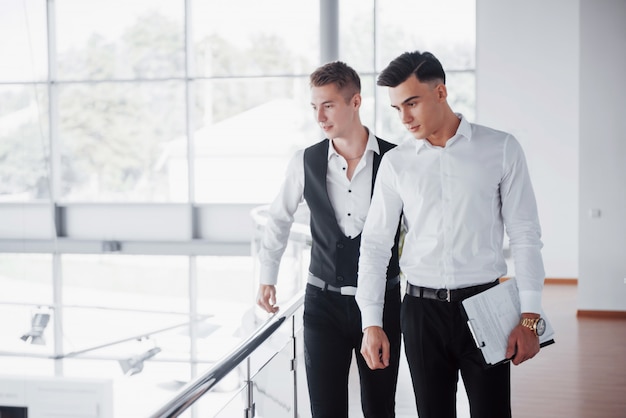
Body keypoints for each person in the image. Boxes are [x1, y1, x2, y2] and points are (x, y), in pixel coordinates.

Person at [355, 50, 546, 418]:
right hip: (421, 312)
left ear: (440, 92)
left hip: (486, 304)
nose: (405, 118)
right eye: (397, 109)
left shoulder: (501, 148)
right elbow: (376, 246)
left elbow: (525, 234)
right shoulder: (396, 164)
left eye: (412, 103)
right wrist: (372, 323)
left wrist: (530, 316)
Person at [256, 61, 402, 418]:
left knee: (380, 408)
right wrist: (267, 276)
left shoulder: (397, 160)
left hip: (384, 304)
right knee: (325, 410)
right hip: (322, 305)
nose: (320, 116)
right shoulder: (304, 161)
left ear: (355, 102)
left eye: (329, 104)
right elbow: (278, 218)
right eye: (314, 106)